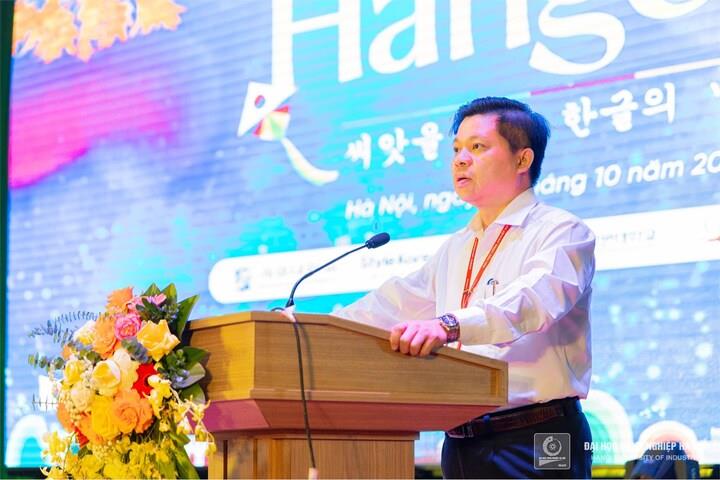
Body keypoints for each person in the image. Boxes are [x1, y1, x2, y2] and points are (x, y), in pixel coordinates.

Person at [334, 96, 595, 478]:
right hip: (461, 441)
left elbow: (533, 300)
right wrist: (304, 328)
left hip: (541, 434)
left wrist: (449, 325)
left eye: (478, 147)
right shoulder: (457, 246)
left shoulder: (562, 231)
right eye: (456, 149)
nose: (460, 159)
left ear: (522, 160)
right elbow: (393, 303)